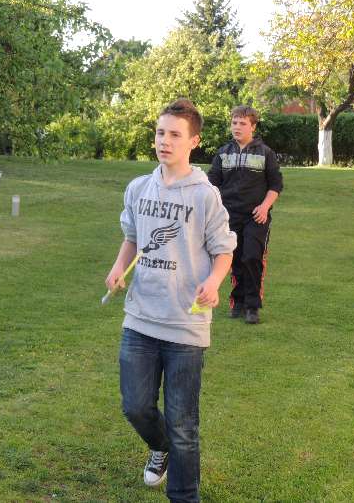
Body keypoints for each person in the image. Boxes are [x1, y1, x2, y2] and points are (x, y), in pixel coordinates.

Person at [105, 99, 236, 502]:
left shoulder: (205, 195)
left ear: (193, 141)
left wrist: (214, 281)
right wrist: (118, 268)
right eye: (161, 132)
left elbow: (224, 251)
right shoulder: (138, 188)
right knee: (135, 406)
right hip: (141, 318)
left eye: (175, 134)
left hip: (185, 325)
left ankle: (184, 496)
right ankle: (159, 446)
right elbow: (132, 238)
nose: (165, 141)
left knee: (183, 424)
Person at [207, 105, 283, 324]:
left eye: (242, 123)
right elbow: (211, 185)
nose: (237, 127)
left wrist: (265, 207)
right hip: (228, 217)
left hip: (256, 217)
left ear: (253, 126)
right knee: (234, 259)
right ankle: (237, 302)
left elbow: (276, 185)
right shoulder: (223, 153)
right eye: (234, 123)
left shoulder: (265, 153)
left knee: (251, 257)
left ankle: (252, 306)